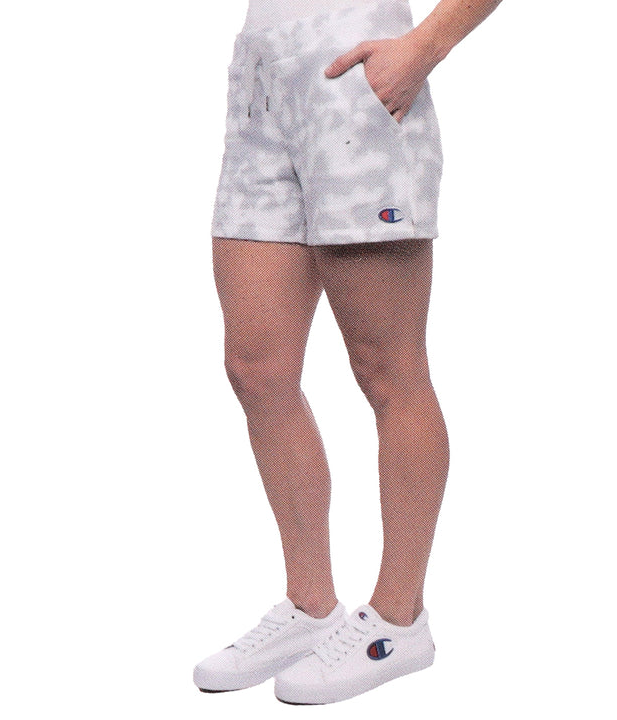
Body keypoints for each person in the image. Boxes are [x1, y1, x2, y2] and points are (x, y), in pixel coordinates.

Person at [194, 0, 503, 705]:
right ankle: (310, 607)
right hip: (259, 77)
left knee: (388, 371)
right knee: (258, 372)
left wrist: (425, 46)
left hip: (356, 68)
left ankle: (399, 620)